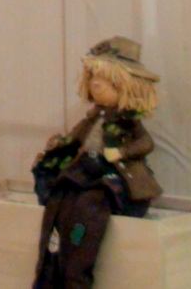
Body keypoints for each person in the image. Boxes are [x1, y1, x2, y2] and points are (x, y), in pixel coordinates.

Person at [30, 36, 163, 289]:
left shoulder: (127, 122)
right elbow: (75, 138)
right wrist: (59, 145)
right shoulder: (93, 117)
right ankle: (51, 271)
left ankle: (76, 277)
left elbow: (145, 143)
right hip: (84, 174)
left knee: (89, 207)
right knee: (60, 197)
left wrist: (121, 152)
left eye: (106, 80)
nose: (96, 84)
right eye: (94, 77)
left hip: (113, 180)